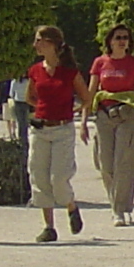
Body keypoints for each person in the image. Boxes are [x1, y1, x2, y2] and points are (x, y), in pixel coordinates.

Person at [84, 25, 134, 224]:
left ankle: (120, 209)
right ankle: (116, 202)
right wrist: (85, 122)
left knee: (124, 163)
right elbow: (90, 93)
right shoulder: (100, 63)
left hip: (128, 115)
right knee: (105, 163)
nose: (122, 41)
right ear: (110, 41)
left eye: (125, 37)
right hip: (104, 115)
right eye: (118, 37)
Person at [25, 25, 85, 241]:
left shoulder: (69, 72)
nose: (36, 45)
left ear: (52, 43)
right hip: (40, 128)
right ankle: (49, 226)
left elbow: (86, 98)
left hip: (62, 129)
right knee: (39, 176)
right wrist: (41, 109)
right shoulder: (35, 70)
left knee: (59, 177)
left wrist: (73, 111)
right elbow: (29, 96)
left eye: (39, 40)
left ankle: (71, 206)